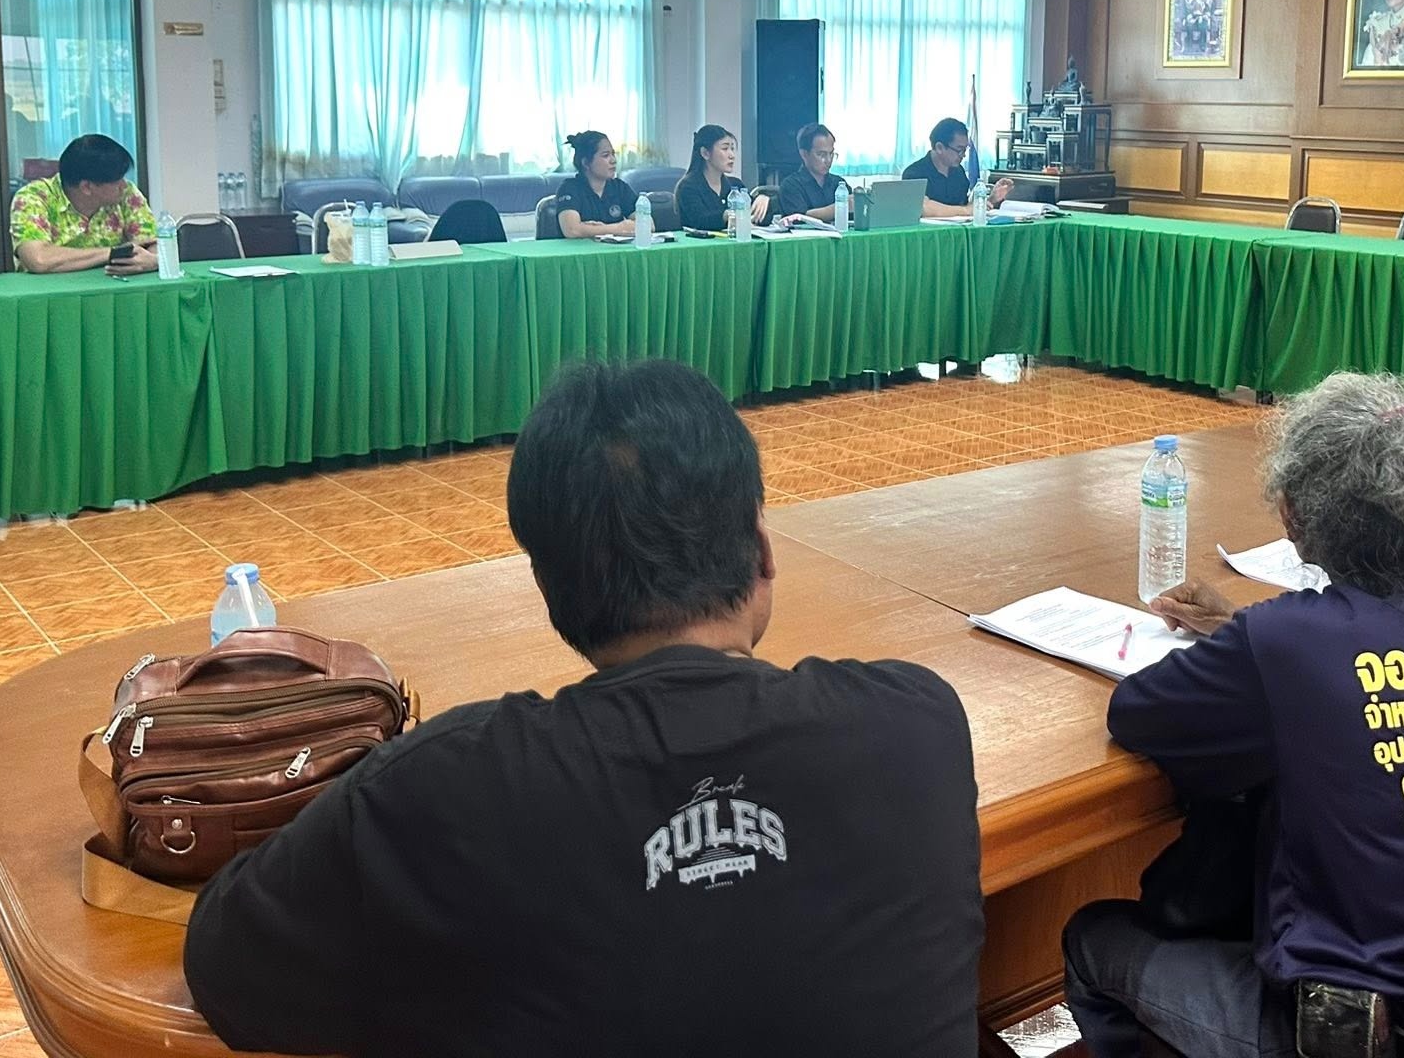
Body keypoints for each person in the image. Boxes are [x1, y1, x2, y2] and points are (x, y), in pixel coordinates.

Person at [184, 359, 984, 1058]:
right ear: (762, 547)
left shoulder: (438, 790)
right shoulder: (917, 725)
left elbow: (228, 973)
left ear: (547, 585)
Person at [1064, 372, 1404, 1058]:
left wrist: (1249, 644)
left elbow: (1136, 713)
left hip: (1372, 1035)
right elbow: (1389, 654)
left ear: (1297, 515)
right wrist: (1246, 635)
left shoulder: (1286, 639)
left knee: (1095, 939)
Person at [9, 133, 159, 275]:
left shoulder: (126, 193)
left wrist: (154, 261)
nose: (124, 185)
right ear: (86, 187)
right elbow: (39, 259)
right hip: (50, 291)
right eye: (116, 181)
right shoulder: (34, 197)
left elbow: (151, 244)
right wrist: (114, 252)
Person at [903, 118, 1012, 219]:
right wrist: (966, 211)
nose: (963, 155)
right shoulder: (914, 173)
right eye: (959, 150)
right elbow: (923, 208)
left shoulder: (958, 172)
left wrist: (991, 200)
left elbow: (965, 206)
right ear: (939, 147)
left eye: (965, 150)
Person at [675, 123, 771, 232]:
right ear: (705, 153)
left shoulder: (735, 185)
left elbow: (760, 220)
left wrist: (764, 203)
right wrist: (726, 216)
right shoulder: (688, 187)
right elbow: (699, 221)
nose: (732, 155)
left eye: (732, 149)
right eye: (725, 148)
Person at [553, 130, 641, 239]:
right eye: (606, 155)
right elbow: (572, 230)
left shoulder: (620, 187)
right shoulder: (569, 188)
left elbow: (648, 225)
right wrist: (619, 228)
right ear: (586, 163)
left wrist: (595, 229)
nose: (613, 160)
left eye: (613, 154)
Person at [777, 123, 848, 222]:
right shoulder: (791, 185)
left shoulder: (839, 184)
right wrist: (840, 207)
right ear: (804, 154)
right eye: (821, 154)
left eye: (831, 154)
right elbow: (799, 217)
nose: (828, 160)